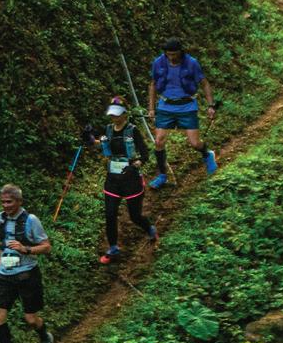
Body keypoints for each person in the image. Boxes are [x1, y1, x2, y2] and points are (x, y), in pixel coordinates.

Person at [0, 183, 53, 343]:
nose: (5, 206)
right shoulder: (0, 218)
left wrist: (26, 249)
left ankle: (45, 337)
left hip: (27, 274)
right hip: (5, 275)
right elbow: (3, 243)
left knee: (31, 319)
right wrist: (1, 260)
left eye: (9, 202)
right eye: (3, 202)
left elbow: (46, 247)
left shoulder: (31, 220)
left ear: (19, 201)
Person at [84, 97, 157, 263]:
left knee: (135, 216)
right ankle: (113, 248)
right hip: (113, 179)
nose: (114, 118)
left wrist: (135, 165)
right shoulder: (109, 130)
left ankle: (149, 228)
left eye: (117, 114)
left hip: (131, 179)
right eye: (112, 114)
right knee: (110, 215)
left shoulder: (132, 131)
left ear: (125, 114)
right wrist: (89, 139)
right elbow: (102, 145)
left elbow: (145, 154)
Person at [146, 37, 218, 188]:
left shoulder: (191, 63)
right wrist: (151, 108)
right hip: (165, 106)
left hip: (187, 106)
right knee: (159, 142)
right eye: (168, 54)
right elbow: (153, 84)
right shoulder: (158, 62)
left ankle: (207, 154)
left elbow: (204, 83)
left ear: (180, 52)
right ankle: (162, 175)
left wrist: (211, 105)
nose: (171, 57)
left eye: (174, 54)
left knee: (195, 143)